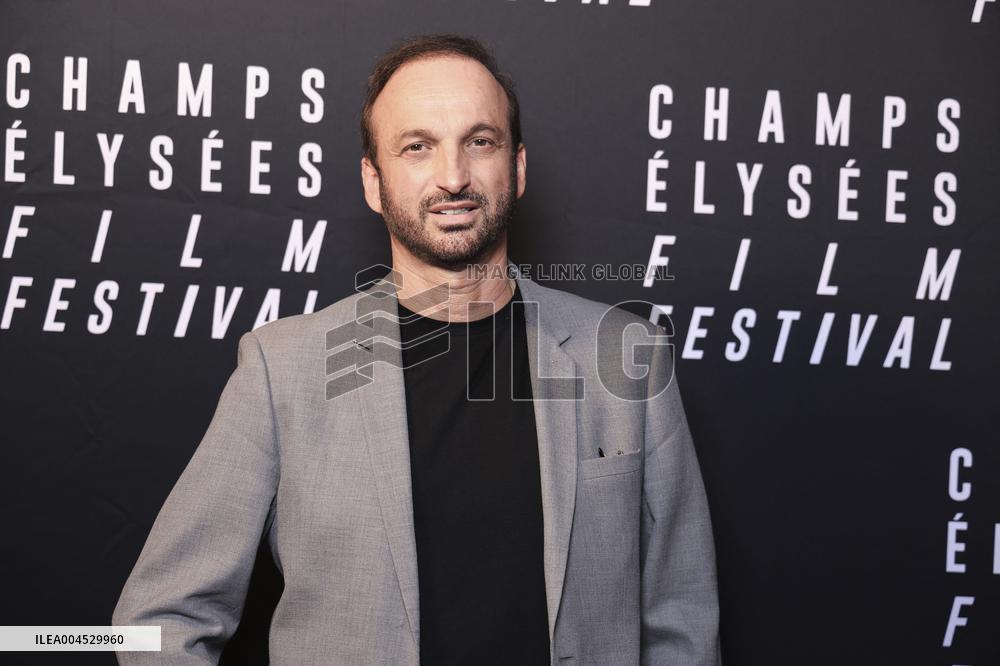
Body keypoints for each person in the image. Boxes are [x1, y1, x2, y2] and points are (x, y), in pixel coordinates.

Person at [113, 34, 721, 665]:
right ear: (373, 182)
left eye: (479, 142)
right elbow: (159, 619)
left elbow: (682, 618)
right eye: (417, 147)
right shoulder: (282, 370)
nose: (453, 177)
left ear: (516, 167)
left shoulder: (626, 354)